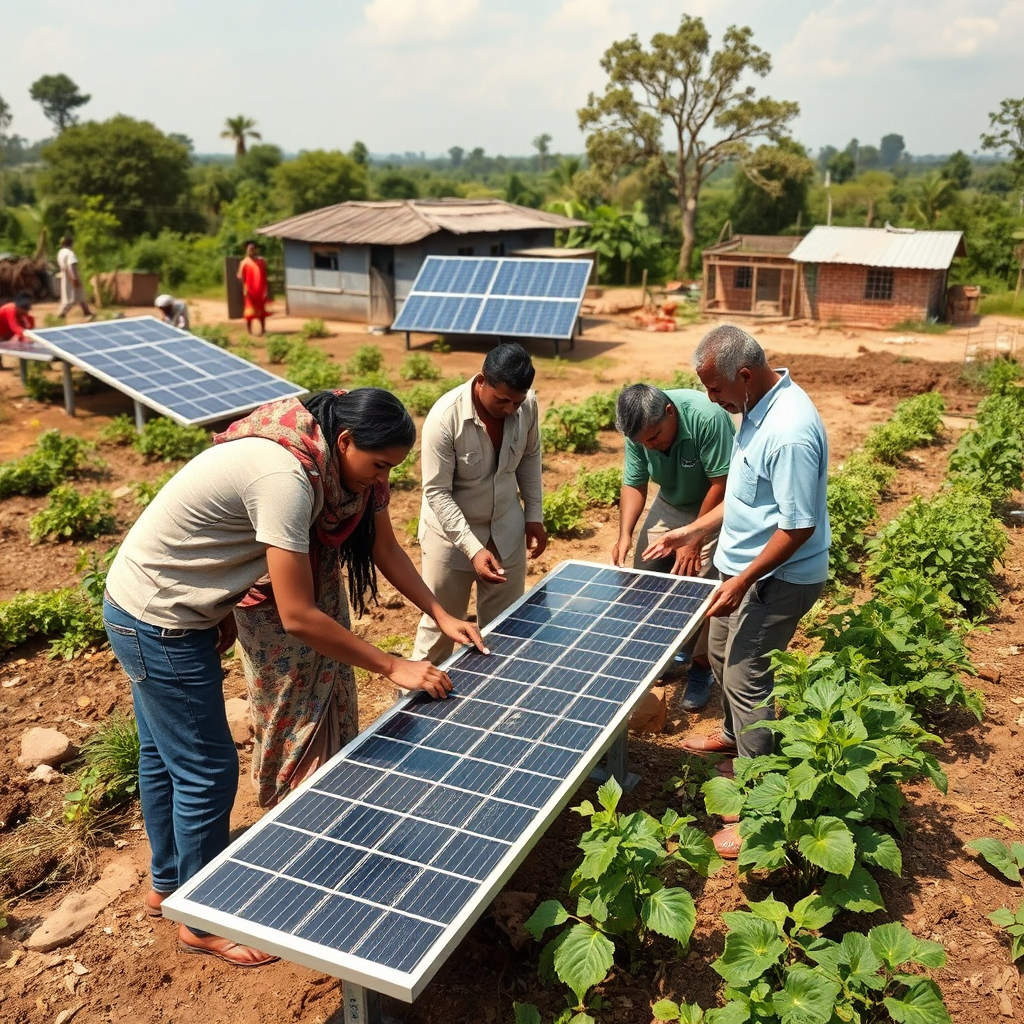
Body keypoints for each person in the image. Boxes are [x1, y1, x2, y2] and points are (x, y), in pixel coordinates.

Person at [103, 388, 486, 967]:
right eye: (379, 465)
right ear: (345, 441)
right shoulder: (286, 477)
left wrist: (439, 612)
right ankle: (204, 921)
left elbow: (383, 545)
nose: (382, 478)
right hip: (158, 621)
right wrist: (393, 665)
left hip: (160, 607)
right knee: (206, 770)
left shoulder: (336, 463)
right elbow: (299, 616)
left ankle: (168, 886)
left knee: (164, 756)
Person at [644, 325, 830, 859]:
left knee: (748, 678)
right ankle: (731, 736)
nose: (709, 399)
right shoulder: (756, 408)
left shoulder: (790, 431)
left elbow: (797, 527)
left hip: (777, 578)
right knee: (722, 654)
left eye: (714, 387)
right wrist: (694, 531)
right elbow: (751, 500)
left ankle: (757, 806)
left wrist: (744, 579)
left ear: (743, 376)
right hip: (738, 570)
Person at [412, 342, 546, 665]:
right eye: (502, 400)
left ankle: (499, 703)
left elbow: (530, 457)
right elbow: (437, 492)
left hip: (505, 531)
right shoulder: (445, 419)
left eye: (517, 401)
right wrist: (472, 548)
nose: (510, 409)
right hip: (451, 541)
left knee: (506, 627)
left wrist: (534, 515)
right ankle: (412, 705)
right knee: (441, 627)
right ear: (482, 381)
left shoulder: (527, 406)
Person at [612, 383, 735, 710]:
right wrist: (625, 532)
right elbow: (634, 482)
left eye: (655, 438)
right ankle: (665, 653)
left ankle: (700, 667)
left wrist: (694, 537)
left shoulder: (706, 418)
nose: (650, 446)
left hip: (714, 503)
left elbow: (721, 483)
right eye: (642, 442)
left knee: (703, 587)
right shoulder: (639, 429)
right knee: (646, 574)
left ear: (670, 412)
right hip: (672, 500)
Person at [56, 235, 94, 321]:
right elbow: (70, 267)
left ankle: (87, 312)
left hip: (65, 276)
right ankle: (61, 314)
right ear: (71, 244)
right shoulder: (70, 253)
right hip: (70, 276)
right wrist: (74, 279)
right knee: (69, 298)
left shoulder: (61, 252)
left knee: (81, 295)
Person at [237, 239, 269, 336]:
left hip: (260, 290)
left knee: (261, 312)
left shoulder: (261, 261)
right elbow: (239, 276)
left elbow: (264, 275)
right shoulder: (244, 262)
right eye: (249, 249)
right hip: (249, 291)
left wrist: (266, 289)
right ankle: (250, 331)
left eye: (252, 249)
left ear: (255, 250)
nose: (251, 251)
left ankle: (263, 330)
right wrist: (244, 287)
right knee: (249, 312)